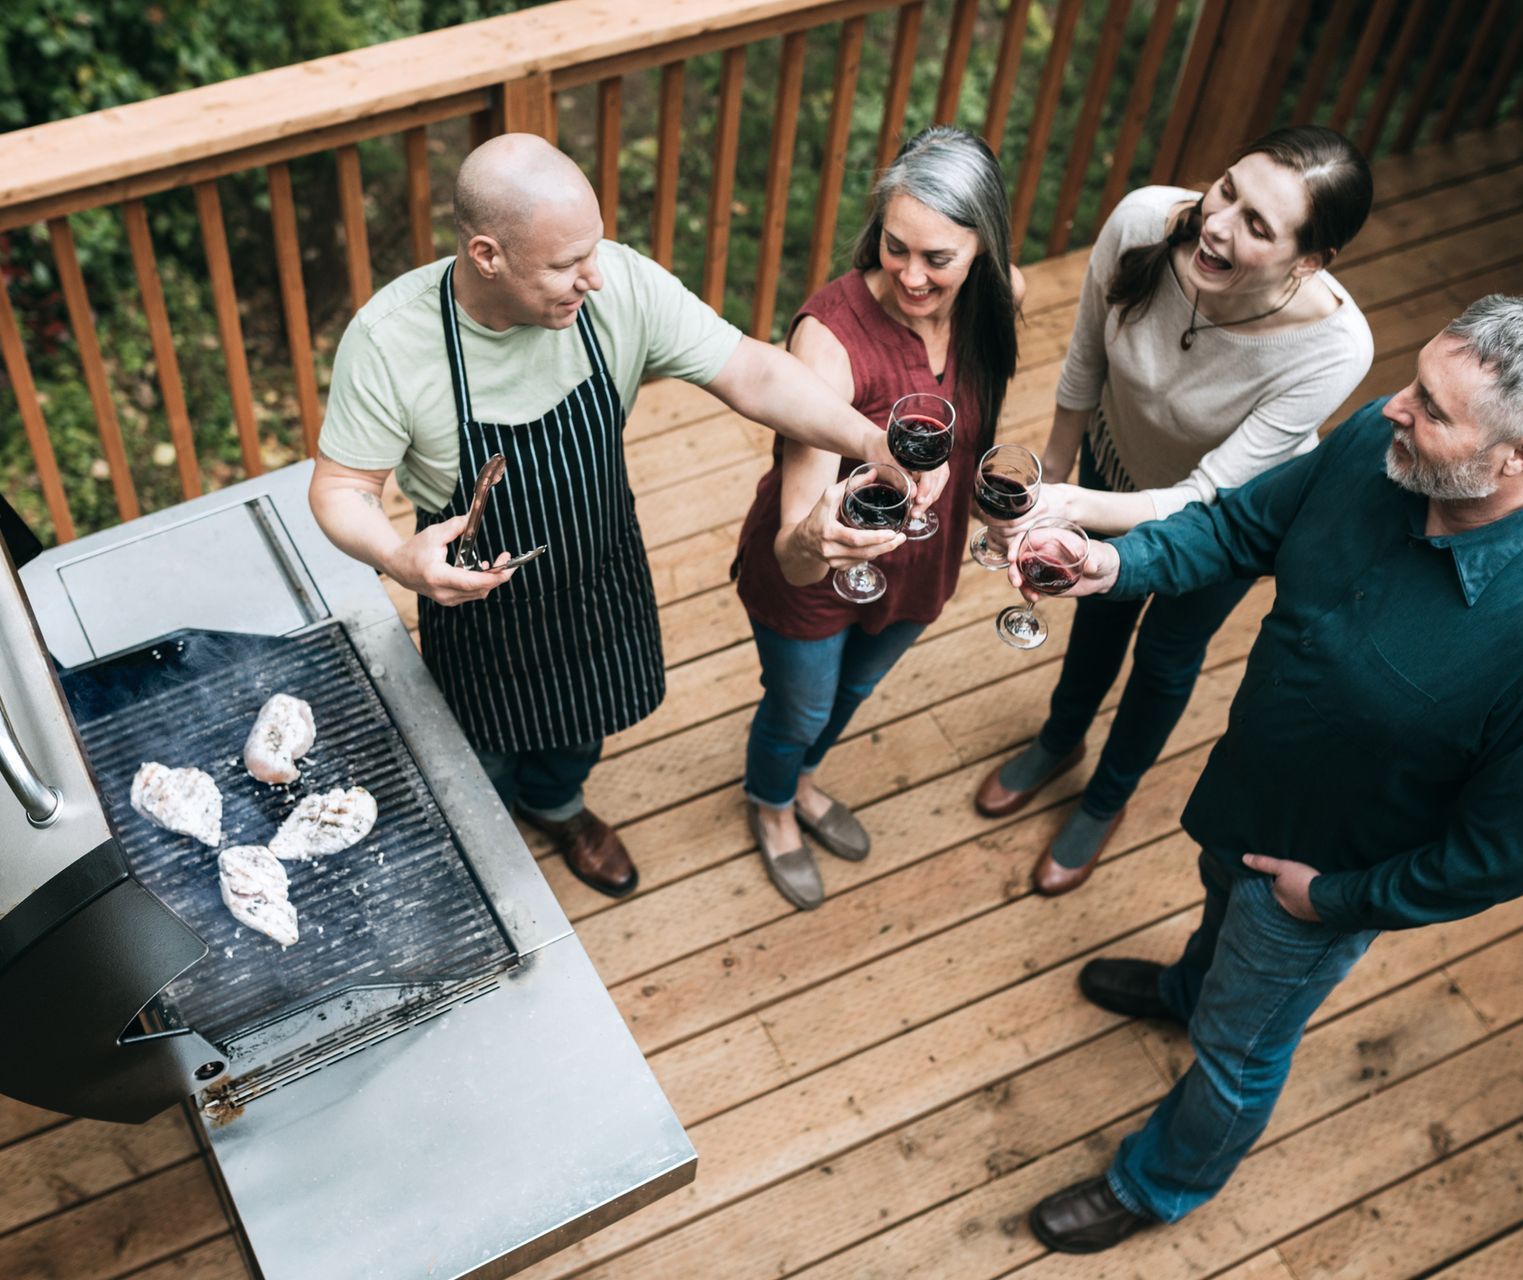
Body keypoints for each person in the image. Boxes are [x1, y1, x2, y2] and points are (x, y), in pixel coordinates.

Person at [1022, 295, 1523, 1253]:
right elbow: (1238, 531)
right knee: (1218, 929)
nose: (1395, 406)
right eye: (1413, 383)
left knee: (1240, 1050)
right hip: (1247, 789)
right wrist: (1109, 565)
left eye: (1432, 406)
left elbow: (1504, 857)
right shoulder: (1383, 448)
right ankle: (1186, 991)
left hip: (1321, 883)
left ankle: (1160, 1181)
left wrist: (1332, 897)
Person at [308, 133, 931, 899]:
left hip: (599, 569)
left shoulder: (617, 288)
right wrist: (402, 560)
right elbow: (341, 488)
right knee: (480, 762)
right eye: (567, 266)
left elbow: (754, 370)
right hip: (477, 604)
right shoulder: (391, 340)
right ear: (486, 255)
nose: (592, 279)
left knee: (582, 728)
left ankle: (559, 806)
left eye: (594, 252)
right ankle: (485, 851)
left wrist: (872, 440)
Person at [974, 126, 1374, 897]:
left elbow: (1206, 493)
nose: (1216, 223)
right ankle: (1060, 739)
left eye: (1259, 225)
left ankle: (1106, 798)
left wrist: (1068, 505)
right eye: (1227, 189)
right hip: (1111, 462)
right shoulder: (1142, 222)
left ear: (1311, 261)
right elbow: (1086, 355)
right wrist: (1053, 473)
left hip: (1228, 519)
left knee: (1165, 653)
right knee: (1094, 609)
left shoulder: (1335, 348)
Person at [732, 126, 1022, 909]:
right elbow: (797, 548)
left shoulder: (998, 303)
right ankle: (772, 801)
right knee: (802, 707)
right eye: (897, 248)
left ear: (983, 252)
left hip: (924, 558)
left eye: (939, 259)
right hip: (820, 568)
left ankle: (804, 781)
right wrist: (816, 538)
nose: (913, 278)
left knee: (850, 698)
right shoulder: (827, 340)